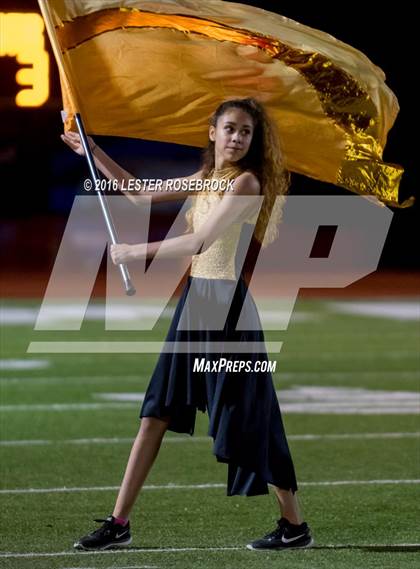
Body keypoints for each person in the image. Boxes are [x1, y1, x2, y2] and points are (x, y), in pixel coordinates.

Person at [61, 97, 313, 551]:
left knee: (248, 419)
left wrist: (133, 253)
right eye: (230, 128)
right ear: (212, 131)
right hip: (195, 306)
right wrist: (93, 151)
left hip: (229, 314)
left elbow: (197, 241)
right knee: (156, 411)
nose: (236, 137)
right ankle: (120, 522)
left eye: (245, 132)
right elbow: (138, 191)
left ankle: (294, 525)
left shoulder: (247, 183)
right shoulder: (206, 178)